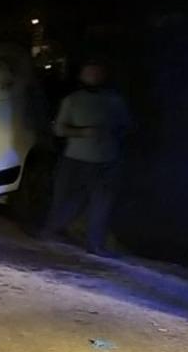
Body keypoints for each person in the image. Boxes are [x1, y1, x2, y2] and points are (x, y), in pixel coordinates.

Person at [41, 59, 130, 255]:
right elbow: (58, 129)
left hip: (106, 161)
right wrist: (82, 132)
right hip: (76, 160)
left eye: (98, 73)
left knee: (102, 205)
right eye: (90, 73)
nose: (94, 77)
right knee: (67, 200)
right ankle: (52, 231)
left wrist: (112, 134)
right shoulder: (72, 100)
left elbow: (126, 126)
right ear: (82, 76)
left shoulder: (114, 101)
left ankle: (95, 244)